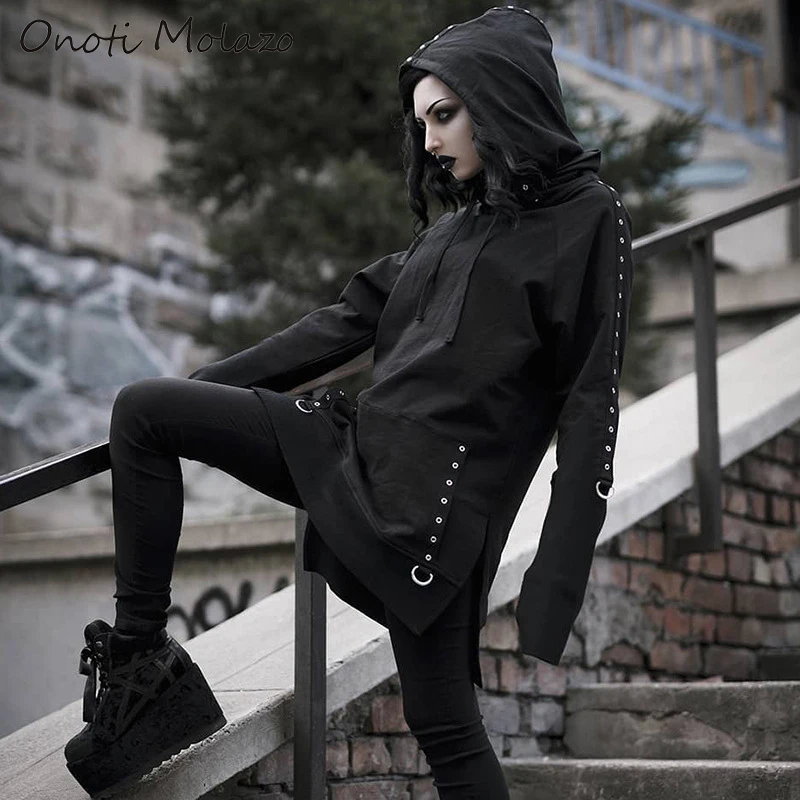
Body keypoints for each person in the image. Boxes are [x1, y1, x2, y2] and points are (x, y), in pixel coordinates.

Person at [64, 6, 634, 798]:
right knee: (147, 410)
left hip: (432, 519)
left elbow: (589, 409)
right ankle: (142, 666)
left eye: (444, 115)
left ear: (501, 100)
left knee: (445, 727)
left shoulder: (589, 219)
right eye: (421, 122)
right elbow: (339, 324)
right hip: (347, 452)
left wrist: (554, 587)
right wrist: (200, 394)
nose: (429, 141)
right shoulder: (453, 231)